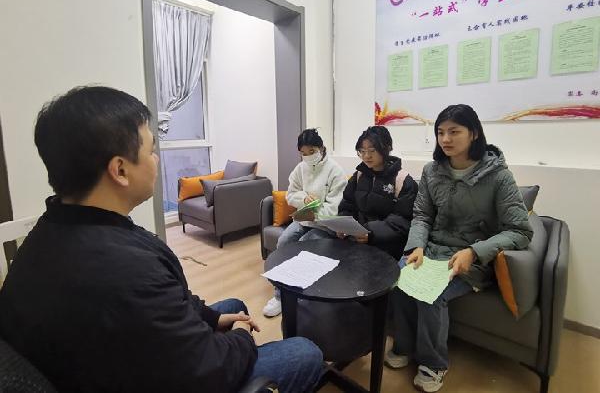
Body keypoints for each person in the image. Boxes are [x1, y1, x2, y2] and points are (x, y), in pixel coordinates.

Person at [0, 86, 322, 393]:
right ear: (120, 170)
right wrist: (241, 339)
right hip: (165, 377)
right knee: (306, 352)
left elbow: (163, 306)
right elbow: (207, 369)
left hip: (104, 360)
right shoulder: (129, 271)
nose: (156, 159)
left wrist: (212, 319)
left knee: (232, 307)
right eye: (151, 150)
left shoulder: (44, 235)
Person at [387, 104, 533, 392]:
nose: (445, 139)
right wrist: (416, 246)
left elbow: (520, 230)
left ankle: (433, 363)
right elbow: (422, 215)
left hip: (471, 258)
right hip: (431, 250)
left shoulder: (498, 176)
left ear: (474, 133)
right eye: (440, 132)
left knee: (431, 293)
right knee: (398, 279)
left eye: (454, 132)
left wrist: (475, 251)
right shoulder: (432, 171)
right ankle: (404, 345)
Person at [262, 128, 347, 317]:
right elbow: (291, 194)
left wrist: (314, 211)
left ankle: (300, 295)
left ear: (321, 148)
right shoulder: (300, 169)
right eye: (303, 153)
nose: (307, 157)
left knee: (302, 247)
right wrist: (304, 199)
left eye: (311, 152)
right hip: (303, 220)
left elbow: (334, 209)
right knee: (283, 242)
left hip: (325, 226)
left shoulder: (335, 171)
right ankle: (280, 296)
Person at [336, 125, 418, 260]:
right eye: (362, 151)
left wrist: (370, 233)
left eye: (372, 151)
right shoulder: (359, 175)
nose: (366, 156)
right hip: (356, 241)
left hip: (387, 247)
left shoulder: (402, 180)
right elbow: (347, 205)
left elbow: (402, 220)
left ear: (386, 148)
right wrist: (342, 224)